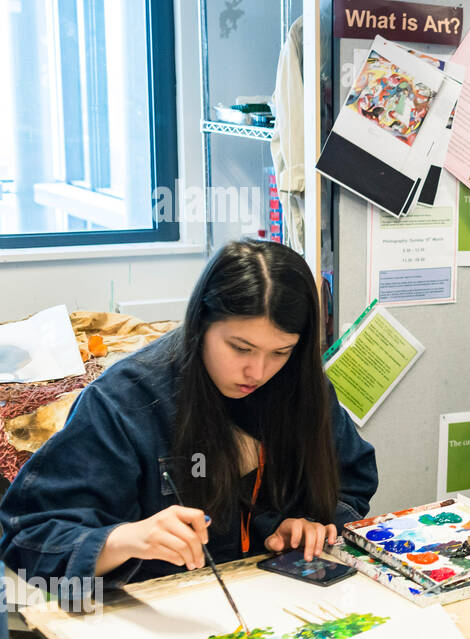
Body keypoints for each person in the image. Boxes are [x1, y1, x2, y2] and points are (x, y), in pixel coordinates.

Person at [0, 240, 378, 587]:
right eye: (240, 348)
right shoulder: (124, 402)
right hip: (158, 619)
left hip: (280, 594)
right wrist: (126, 539)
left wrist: (309, 524)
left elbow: (352, 478)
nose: (258, 372)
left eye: (279, 352)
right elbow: (27, 538)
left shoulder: (299, 384)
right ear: (201, 324)